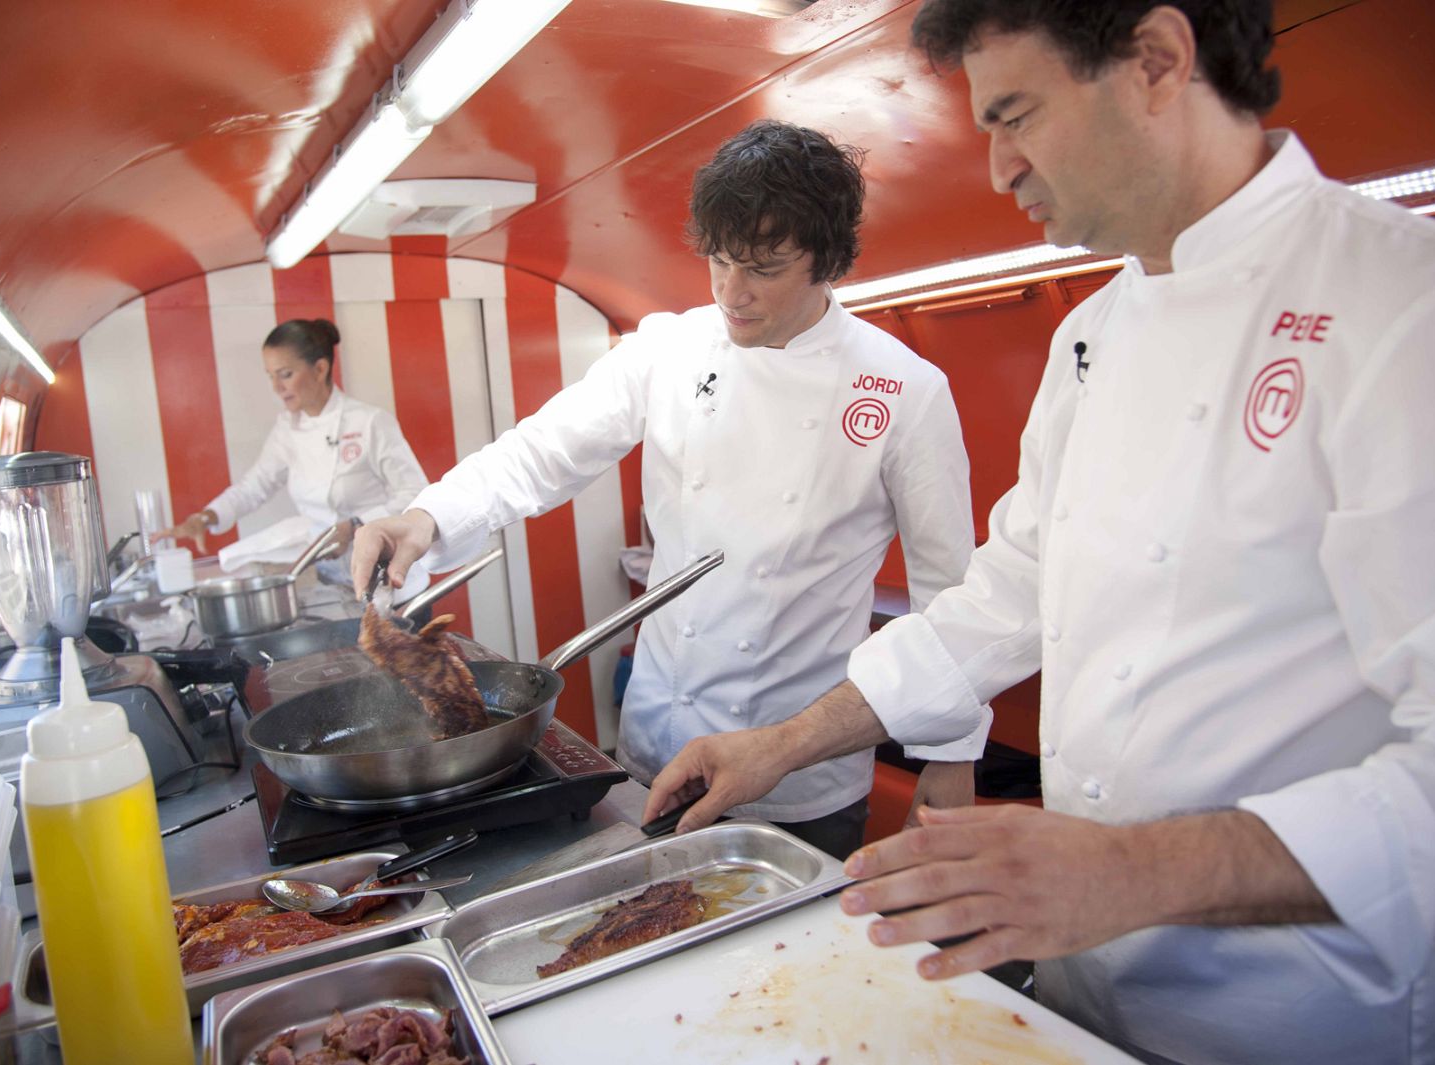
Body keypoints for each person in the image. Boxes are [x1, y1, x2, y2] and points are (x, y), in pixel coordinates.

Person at [642, 3, 1435, 1063]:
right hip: (1087, 979)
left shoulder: (1428, 310)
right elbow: (1002, 600)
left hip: (1319, 1014)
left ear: (1158, 61)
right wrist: (777, 745)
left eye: (1016, 115)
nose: (998, 166)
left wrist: (1131, 871)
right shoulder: (1092, 334)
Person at [352, 120, 988, 859]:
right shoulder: (669, 347)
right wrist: (426, 517)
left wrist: (953, 753)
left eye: (764, 268)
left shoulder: (904, 389)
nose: (732, 292)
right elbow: (541, 451)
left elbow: (949, 590)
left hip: (796, 769)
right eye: (719, 260)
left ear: (829, 261)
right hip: (658, 738)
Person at [167, 318, 431, 592]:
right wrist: (207, 517)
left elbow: (415, 493)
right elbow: (254, 486)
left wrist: (355, 526)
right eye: (270, 376)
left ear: (320, 369)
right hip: (333, 582)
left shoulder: (369, 422)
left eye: (285, 374)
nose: (276, 387)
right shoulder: (287, 429)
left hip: (393, 581)